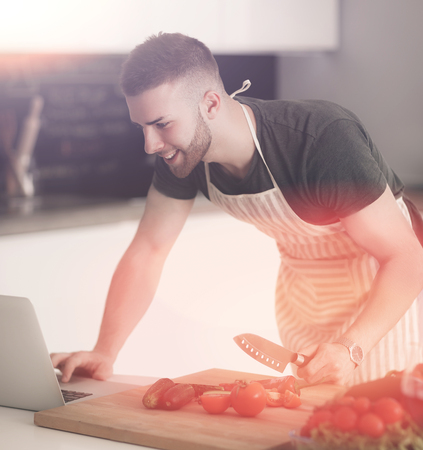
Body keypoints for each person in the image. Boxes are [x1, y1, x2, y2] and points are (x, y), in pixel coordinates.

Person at [51, 32, 423, 387]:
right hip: (306, 301)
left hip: (386, 302)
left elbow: (405, 257)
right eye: (142, 127)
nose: (150, 145)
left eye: (162, 124)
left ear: (211, 103)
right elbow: (148, 250)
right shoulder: (183, 157)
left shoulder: (320, 140)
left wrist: (349, 347)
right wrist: (104, 351)